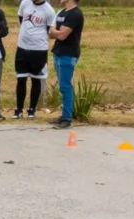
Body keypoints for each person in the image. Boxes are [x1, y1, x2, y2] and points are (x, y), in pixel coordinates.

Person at [15, 0, 57, 120]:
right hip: (22, 47)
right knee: (21, 78)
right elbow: (21, 19)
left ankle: (32, 109)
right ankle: (18, 110)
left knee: (36, 79)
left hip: (39, 49)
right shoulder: (25, 3)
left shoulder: (48, 10)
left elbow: (49, 31)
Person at [49, 0, 83, 130]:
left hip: (68, 54)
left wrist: (57, 32)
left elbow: (62, 35)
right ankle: (64, 115)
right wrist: (57, 32)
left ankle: (67, 118)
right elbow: (51, 33)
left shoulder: (76, 14)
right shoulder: (61, 12)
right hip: (58, 52)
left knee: (65, 86)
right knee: (63, 86)